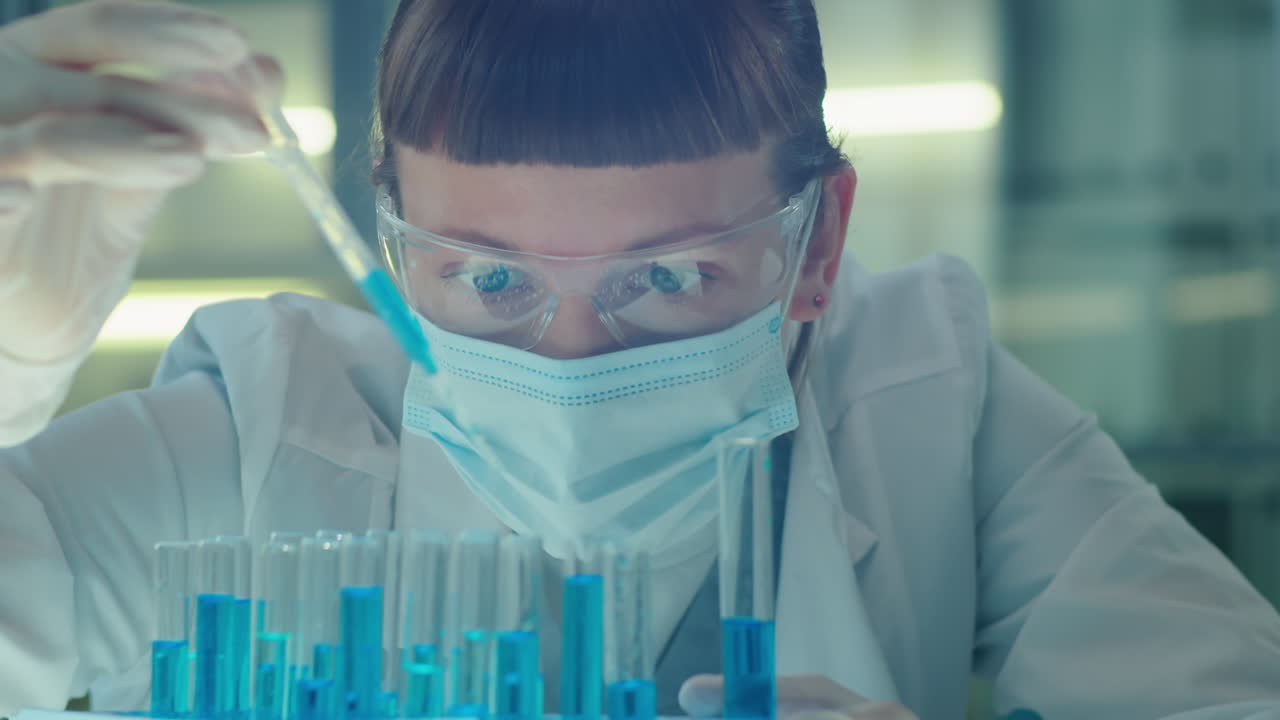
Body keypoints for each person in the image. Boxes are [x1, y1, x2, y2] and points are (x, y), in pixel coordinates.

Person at [1, 1, 1279, 718]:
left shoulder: (925, 398)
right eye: (486, 277)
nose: (563, 356)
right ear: (393, 244)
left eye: (666, 278)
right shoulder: (255, 429)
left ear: (816, 238)